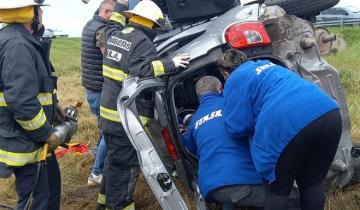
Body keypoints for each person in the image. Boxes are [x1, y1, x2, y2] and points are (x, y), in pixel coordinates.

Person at [218, 49, 342, 210]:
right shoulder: (271, 66)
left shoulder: (234, 79)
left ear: (226, 74)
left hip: (289, 123)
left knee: (278, 191)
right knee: (312, 183)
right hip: (329, 113)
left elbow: (237, 126)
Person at [97, 0, 191, 209]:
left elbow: (112, 23)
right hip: (124, 117)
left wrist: (121, 4)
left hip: (108, 113)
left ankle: (103, 203)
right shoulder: (143, 42)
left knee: (113, 162)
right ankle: (119, 205)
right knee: (126, 167)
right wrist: (171, 64)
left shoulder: (116, 35)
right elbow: (142, 70)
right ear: (151, 24)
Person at [181, 76, 300, 209]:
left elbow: (189, 147)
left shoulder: (194, 121)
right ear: (220, 89)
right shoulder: (233, 106)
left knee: (231, 197)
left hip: (211, 186)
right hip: (241, 181)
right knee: (292, 198)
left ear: (198, 96)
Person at [0, 1, 65, 209]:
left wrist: (55, 109)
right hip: (25, 141)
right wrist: (46, 133)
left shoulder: (16, 38)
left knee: (51, 187)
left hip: (30, 139)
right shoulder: (18, 45)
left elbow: (35, 89)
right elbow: (21, 101)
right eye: (40, 8)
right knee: (37, 202)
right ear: (31, 13)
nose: (43, 12)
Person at [81, 0, 115, 186]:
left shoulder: (90, 24)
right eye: (114, 13)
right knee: (109, 132)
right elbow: (110, 58)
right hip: (100, 90)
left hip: (92, 89)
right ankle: (96, 173)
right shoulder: (102, 30)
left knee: (103, 128)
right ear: (106, 11)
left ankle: (99, 160)